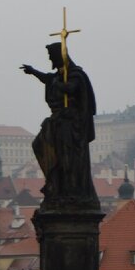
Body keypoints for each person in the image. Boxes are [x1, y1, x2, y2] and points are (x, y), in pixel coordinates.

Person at [22, 43, 97, 208]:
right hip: (56, 122)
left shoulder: (76, 75)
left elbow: (71, 88)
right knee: (38, 145)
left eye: (51, 56)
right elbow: (47, 78)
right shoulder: (58, 76)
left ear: (59, 56)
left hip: (70, 126)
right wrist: (33, 71)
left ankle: (68, 188)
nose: (50, 59)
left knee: (67, 158)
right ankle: (53, 180)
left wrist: (59, 84)